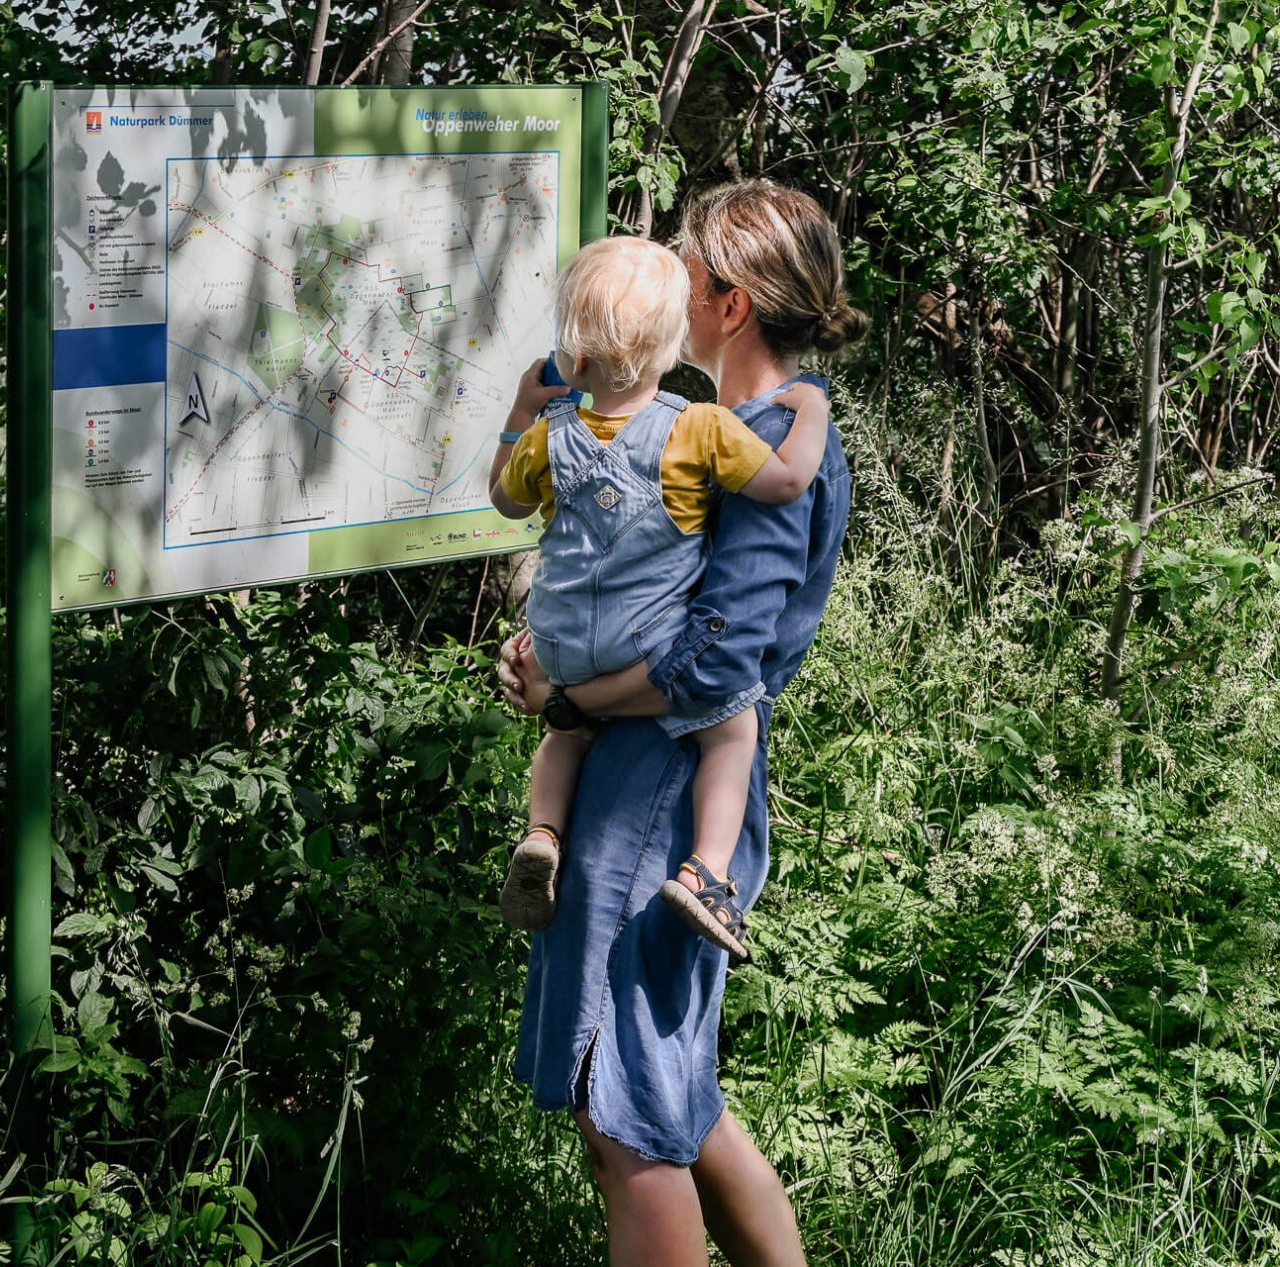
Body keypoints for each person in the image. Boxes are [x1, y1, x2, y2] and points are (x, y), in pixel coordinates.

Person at [498, 179, 866, 1266]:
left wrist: (569, 699)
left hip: (655, 792)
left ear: (731, 304)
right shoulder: (721, 433)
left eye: (685, 266)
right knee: (674, 1093)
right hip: (650, 775)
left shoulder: (750, 442)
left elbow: (717, 662)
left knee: (627, 1119)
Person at [486, 234, 830, 962]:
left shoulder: (547, 439)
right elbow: (789, 480)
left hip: (561, 644)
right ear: (673, 347)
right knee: (732, 732)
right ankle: (708, 871)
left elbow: (503, 499)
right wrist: (814, 409)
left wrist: (520, 410)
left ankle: (541, 831)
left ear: (575, 358)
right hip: (645, 645)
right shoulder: (699, 428)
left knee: (562, 734)